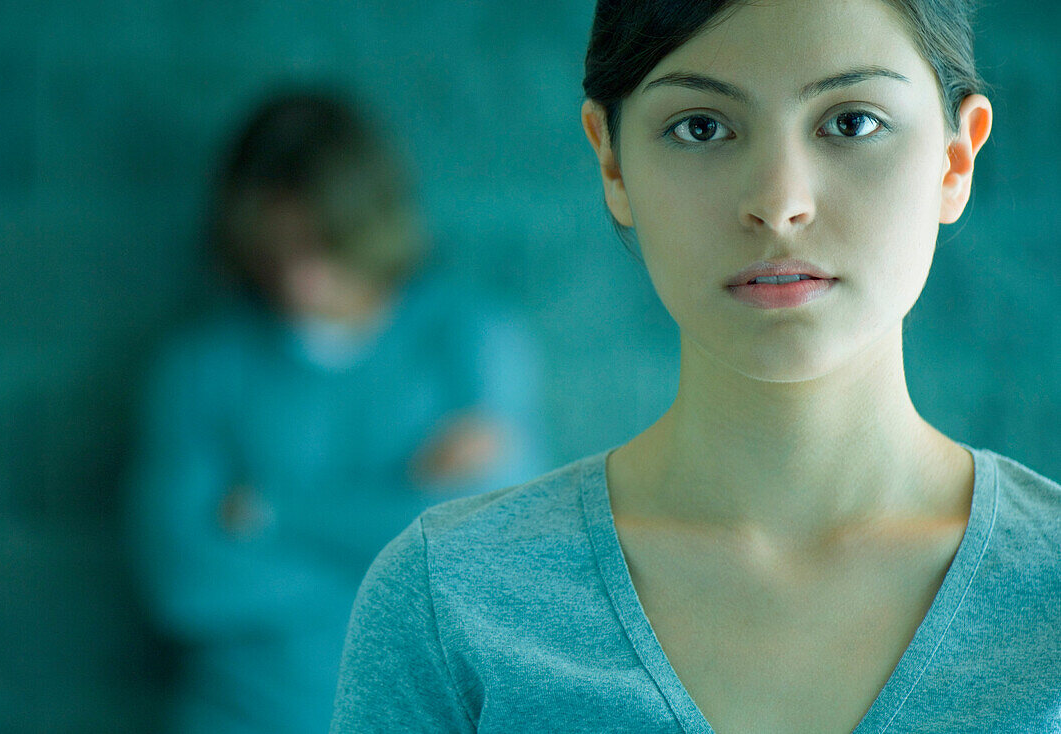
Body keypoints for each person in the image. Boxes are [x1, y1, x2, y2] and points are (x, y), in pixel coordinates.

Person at [329, 1, 1061, 732]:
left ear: (955, 158)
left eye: (851, 122)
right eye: (701, 127)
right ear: (611, 160)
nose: (779, 204)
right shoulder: (449, 599)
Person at [123, 90, 548, 733]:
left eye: (322, 245)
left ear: (371, 224)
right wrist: (405, 556)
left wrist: (271, 513)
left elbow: (499, 558)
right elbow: (183, 584)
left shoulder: (471, 341)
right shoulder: (200, 365)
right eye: (273, 251)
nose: (297, 280)